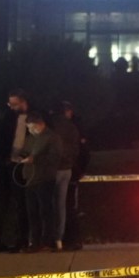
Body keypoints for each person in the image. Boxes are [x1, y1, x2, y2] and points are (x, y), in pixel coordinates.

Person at [17, 111, 63, 251]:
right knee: (32, 212)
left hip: (45, 178)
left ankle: (48, 240)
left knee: (45, 210)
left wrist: (35, 159)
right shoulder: (31, 138)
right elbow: (25, 151)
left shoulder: (52, 137)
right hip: (30, 178)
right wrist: (22, 156)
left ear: (39, 124)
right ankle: (34, 242)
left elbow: (55, 157)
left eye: (31, 126)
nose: (30, 130)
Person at [0, 88, 32, 252]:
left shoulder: (34, 117)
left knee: (21, 204)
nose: (12, 107)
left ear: (24, 102)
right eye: (10, 104)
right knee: (3, 203)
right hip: (8, 164)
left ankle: (22, 239)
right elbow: (2, 138)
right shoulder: (8, 117)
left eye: (15, 104)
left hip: (22, 165)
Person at [52, 102, 84, 250]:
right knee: (69, 206)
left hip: (54, 169)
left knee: (55, 206)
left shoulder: (52, 126)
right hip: (69, 170)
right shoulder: (72, 127)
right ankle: (70, 239)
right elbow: (78, 149)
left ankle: (56, 238)